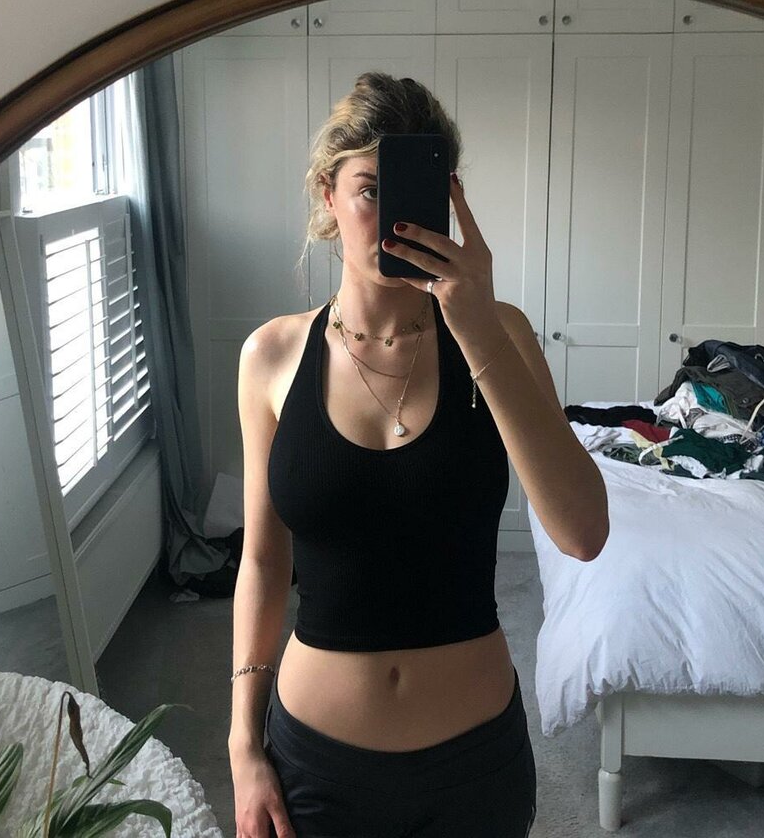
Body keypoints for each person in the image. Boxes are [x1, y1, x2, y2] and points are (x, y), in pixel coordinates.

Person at [228, 72, 609, 837]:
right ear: (328, 195)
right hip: (316, 765)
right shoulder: (271, 355)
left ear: (448, 197)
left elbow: (583, 531)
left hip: (475, 765)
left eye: (414, 191)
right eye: (369, 189)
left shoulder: (500, 332)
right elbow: (264, 561)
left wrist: (477, 327)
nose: (391, 217)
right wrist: (243, 742)